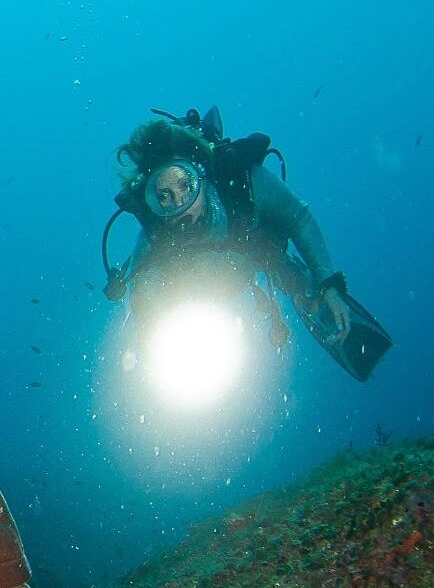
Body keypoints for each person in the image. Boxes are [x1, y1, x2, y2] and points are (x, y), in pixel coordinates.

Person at [100, 107, 390, 382]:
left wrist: (329, 285)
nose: (180, 205)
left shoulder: (243, 182)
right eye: (164, 196)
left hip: (253, 254)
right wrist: (151, 344)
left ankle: (313, 299)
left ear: (200, 174)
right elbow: (142, 290)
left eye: (185, 185)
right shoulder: (155, 234)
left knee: (277, 258)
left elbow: (298, 217)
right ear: (152, 200)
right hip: (197, 292)